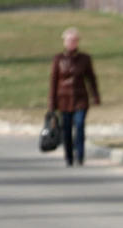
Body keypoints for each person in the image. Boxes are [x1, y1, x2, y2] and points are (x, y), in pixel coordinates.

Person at [48, 28, 100, 167]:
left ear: (78, 42)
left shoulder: (85, 59)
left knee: (80, 124)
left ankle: (80, 155)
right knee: (66, 129)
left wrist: (95, 96)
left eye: (74, 40)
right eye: (69, 40)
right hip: (63, 99)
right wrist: (52, 104)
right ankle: (69, 156)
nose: (71, 43)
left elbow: (91, 78)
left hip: (80, 98)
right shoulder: (58, 59)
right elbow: (53, 82)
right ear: (64, 42)